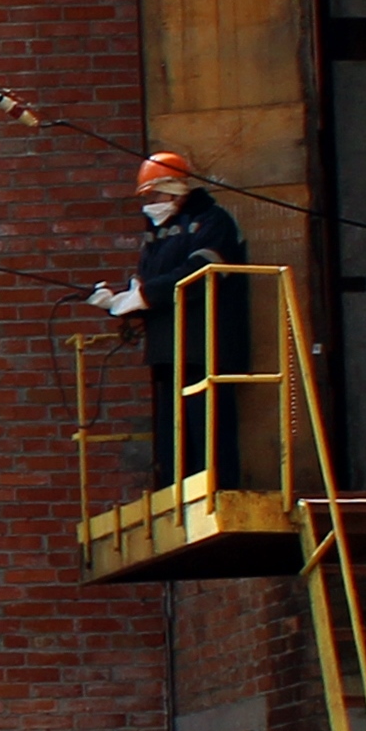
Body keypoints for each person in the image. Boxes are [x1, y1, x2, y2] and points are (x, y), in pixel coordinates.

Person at [93, 152, 253, 484]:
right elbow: (152, 282)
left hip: (205, 347)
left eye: (155, 194)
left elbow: (201, 272)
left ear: (175, 189)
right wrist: (123, 300)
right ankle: (176, 492)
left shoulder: (211, 222)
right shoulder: (159, 232)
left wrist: (145, 295)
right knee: (173, 439)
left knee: (207, 432)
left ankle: (217, 489)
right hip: (169, 352)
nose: (150, 203)